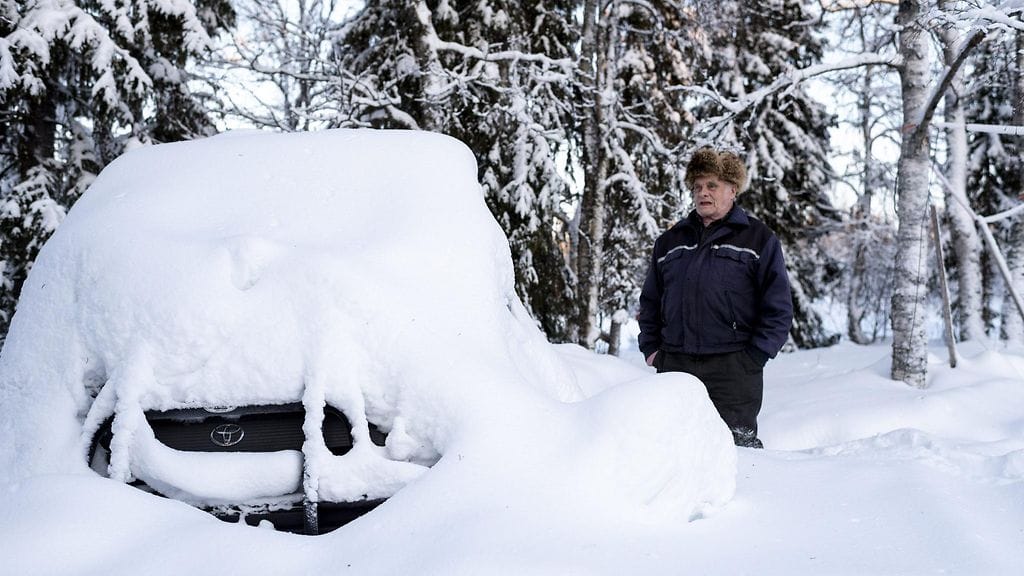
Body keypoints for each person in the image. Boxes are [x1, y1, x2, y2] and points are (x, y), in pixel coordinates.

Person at [637, 148, 793, 448]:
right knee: (673, 448)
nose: (702, 193)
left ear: (732, 190)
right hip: (676, 365)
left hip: (734, 368)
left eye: (712, 185)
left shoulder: (758, 238)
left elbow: (778, 307)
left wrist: (755, 356)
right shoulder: (670, 242)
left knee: (736, 450)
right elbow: (651, 301)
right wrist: (653, 350)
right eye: (697, 186)